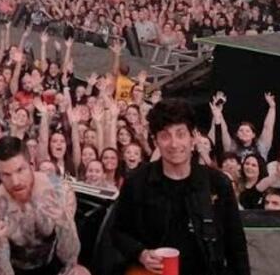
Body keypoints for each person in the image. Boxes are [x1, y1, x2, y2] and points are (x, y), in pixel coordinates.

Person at [106, 99, 249, 275]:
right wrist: (140, 253)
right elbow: (118, 231)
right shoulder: (137, 182)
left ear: (193, 137)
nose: (174, 144)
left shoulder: (218, 183)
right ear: (155, 140)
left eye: (180, 134)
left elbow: (236, 247)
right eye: (165, 136)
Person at [0, 136, 90, 275]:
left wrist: (64, 222)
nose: (15, 182)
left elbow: (70, 258)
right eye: (6, 175)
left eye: (20, 170)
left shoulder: (59, 190)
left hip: (52, 264)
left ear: (31, 165)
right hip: (15, 269)